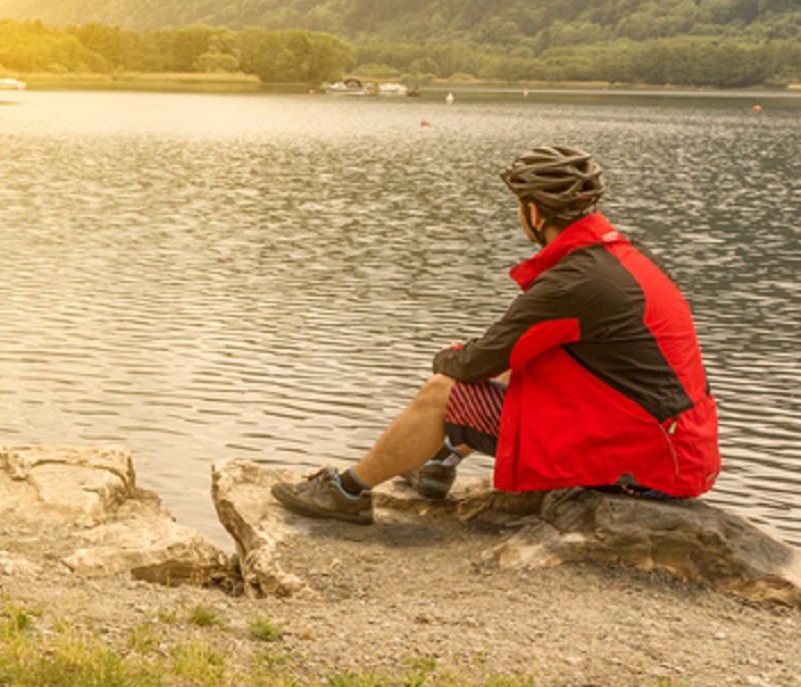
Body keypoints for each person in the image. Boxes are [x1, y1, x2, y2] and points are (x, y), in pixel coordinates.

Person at [273, 145, 720, 524]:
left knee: (443, 392)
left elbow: (474, 363)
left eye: (519, 207)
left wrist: (449, 356)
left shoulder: (575, 281)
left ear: (534, 211)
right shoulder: (625, 256)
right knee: (530, 359)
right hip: (675, 445)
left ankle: (348, 492)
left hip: (647, 463)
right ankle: (438, 463)